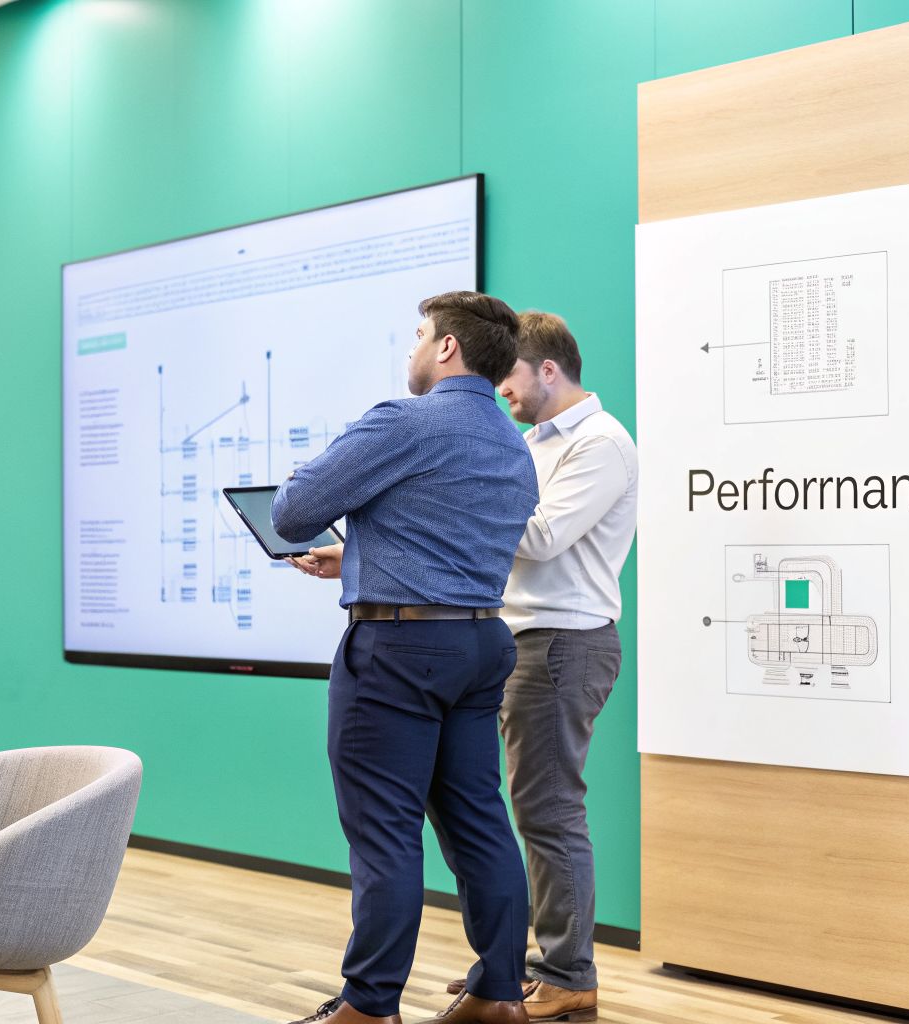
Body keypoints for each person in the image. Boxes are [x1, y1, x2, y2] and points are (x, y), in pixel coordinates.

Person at [273, 291, 540, 1024]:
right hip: (479, 643)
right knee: (481, 822)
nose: (413, 349)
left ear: (447, 348)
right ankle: (498, 995)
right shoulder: (512, 443)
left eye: (420, 335)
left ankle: (368, 1006)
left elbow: (291, 510)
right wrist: (363, 550)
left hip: (396, 649)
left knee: (384, 828)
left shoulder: (404, 419)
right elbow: (445, 534)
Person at [478, 310, 637, 1022]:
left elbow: (540, 537)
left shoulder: (601, 443)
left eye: (507, 374)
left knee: (549, 812)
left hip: (562, 644)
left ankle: (569, 973)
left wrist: (469, 495)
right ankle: (521, 969)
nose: (499, 390)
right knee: (532, 809)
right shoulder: (535, 443)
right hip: (525, 642)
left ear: (547, 369)